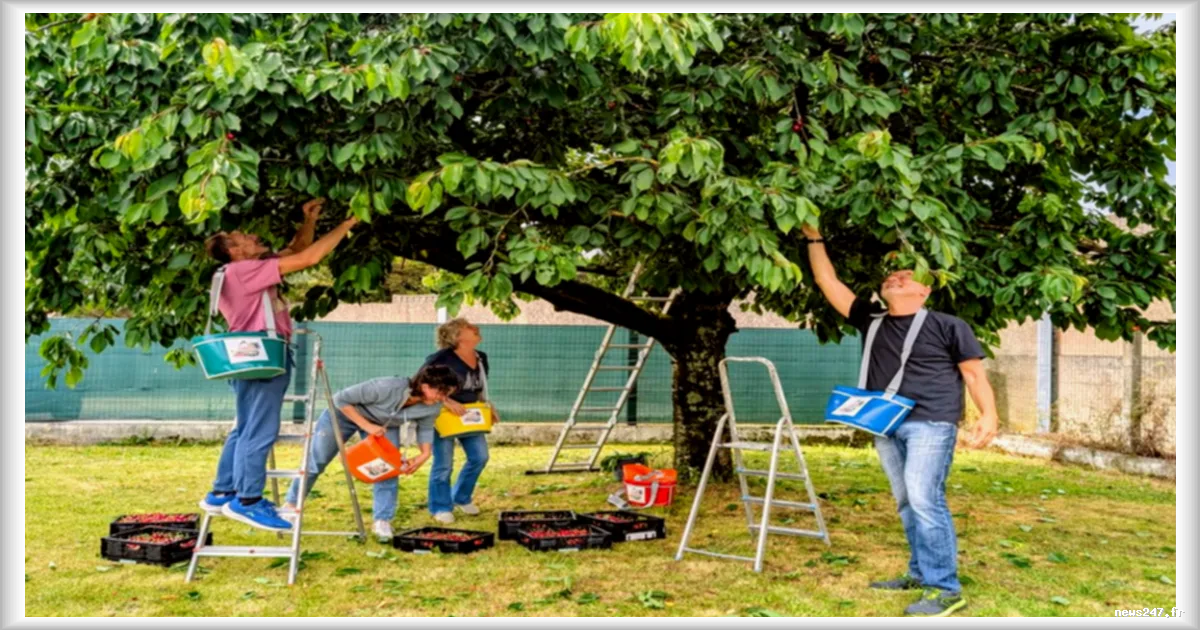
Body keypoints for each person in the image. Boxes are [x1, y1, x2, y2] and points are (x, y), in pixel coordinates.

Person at [802, 224, 999, 617]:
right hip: (885, 424)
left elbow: (974, 374)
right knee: (907, 502)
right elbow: (827, 279)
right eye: (891, 275)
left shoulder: (948, 325)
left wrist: (988, 414)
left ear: (925, 290)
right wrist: (813, 237)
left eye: (906, 276)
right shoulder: (871, 319)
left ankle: (945, 589)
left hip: (931, 422)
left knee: (926, 500)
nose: (895, 277)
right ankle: (920, 573)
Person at [199, 199, 359, 532]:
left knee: (245, 426)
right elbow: (310, 258)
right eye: (244, 236)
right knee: (260, 430)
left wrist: (309, 221)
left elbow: (295, 249)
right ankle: (248, 500)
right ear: (235, 251)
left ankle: (222, 490)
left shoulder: (235, 270)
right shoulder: (245, 270)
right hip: (262, 354)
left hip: (244, 356)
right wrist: (348, 224)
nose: (254, 236)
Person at [284, 365, 461, 540]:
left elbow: (425, 428)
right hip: (342, 415)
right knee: (318, 459)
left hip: (384, 425)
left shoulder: (432, 406)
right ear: (424, 386)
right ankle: (291, 504)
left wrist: (424, 454)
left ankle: (382, 520)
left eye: (447, 394)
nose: (443, 399)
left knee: (388, 469)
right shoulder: (386, 387)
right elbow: (339, 399)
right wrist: (367, 426)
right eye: (441, 393)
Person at [422, 318, 499, 524]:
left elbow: (480, 386)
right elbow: (422, 383)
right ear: (457, 336)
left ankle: (461, 497)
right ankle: (440, 506)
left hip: (471, 414)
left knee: (479, 457)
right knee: (444, 463)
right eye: (469, 328)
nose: (476, 328)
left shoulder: (481, 357)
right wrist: (447, 401)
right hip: (443, 415)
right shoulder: (440, 358)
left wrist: (488, 406)